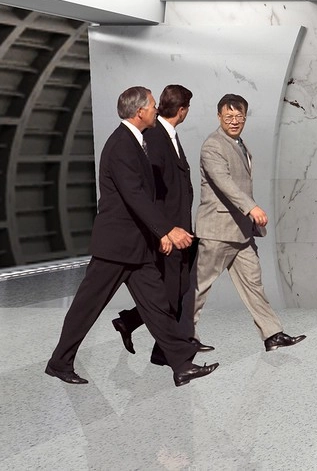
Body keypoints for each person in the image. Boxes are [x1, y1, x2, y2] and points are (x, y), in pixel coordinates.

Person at [45, 86, 217, 387]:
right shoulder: (121, 145)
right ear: (139, 112)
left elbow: (144, 197)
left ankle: (181, 365)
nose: (156, 108)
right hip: (115, 247)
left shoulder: (135, 141)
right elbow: (134, 195)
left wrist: (157, 234)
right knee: (86, 307)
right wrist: (166, 230)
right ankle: (59, 363)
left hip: (137, 247)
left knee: (158, 305)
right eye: (152, 105)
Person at [193, 94, 306, 351]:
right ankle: (183, 337)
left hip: (241, 231)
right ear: (219, 116)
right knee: (199, 287)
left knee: (253, 284)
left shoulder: (239, 143)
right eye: (228, 116)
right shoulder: (213, 145)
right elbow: (224, 183)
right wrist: (251, 207)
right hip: (218, 230)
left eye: (239, 116)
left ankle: (272, 334)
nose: (234, 121)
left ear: (245, 117)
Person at [111, 84, 214, 363]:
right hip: (169, 230)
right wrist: (163, 232)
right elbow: (150, 192)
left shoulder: (167, 135)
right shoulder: (155, 138)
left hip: (178, 227)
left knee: (177, 289)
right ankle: (161, 349)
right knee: (171, 290)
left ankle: (135, 326)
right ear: (183, 110)